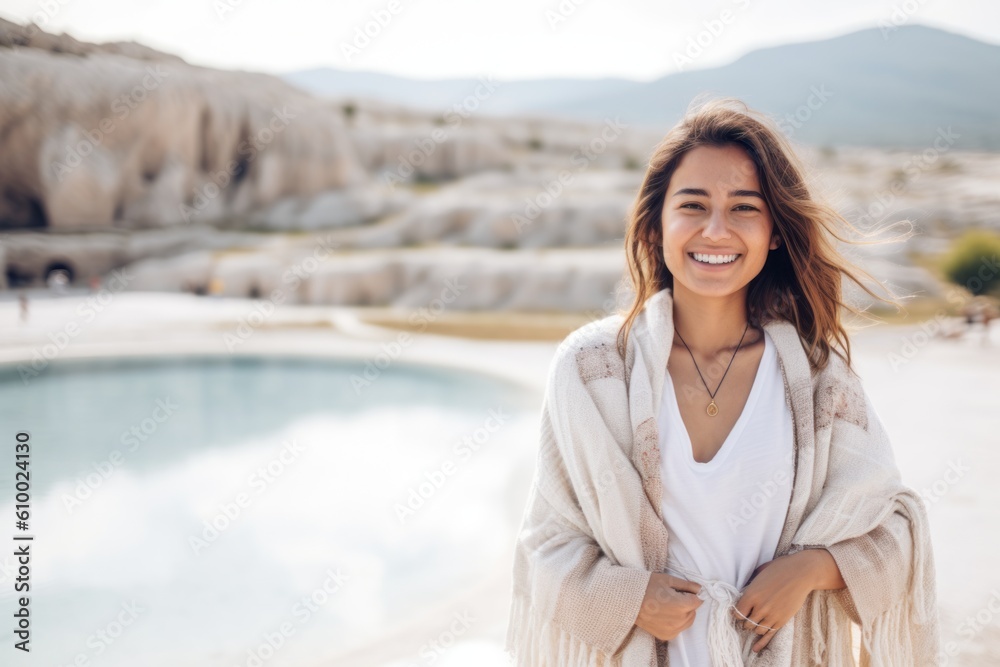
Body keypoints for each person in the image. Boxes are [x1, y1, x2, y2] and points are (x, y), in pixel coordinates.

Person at [505, 98, 940, 666]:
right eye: (693, 205)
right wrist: (630, 599)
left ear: (775, 233)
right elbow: (546, 543)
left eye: (743, 208)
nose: (716, 230)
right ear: (656, 223)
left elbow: (893, 526)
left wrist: (809, 570)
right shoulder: (592, 370)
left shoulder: (817, 378)